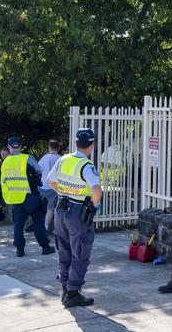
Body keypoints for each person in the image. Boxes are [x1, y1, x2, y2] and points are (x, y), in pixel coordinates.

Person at [46, 128, 102, 308]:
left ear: (76, 143)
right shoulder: (86, 165)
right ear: (91, 145)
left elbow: (50, 180)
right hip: (77, 214)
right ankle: (72, 294)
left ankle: (65, 289)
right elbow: (96, 189)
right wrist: (95, 204)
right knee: (80, 253)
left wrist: (64, 192)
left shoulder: (64, 159)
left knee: (64, 251)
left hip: (60, 210)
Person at [0, 137, 55, 257]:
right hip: (31, 196)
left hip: (15, 197)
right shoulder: (28, 159)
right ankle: (45, 247)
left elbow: (3, 181)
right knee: (38, 222)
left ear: (9, 148)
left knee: (19, 224)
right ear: (20, 147)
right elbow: (39, 171)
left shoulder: (5, 162)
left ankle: (20, 250)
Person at [38, 140, 61, 234]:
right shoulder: (61, 159)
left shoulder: (44, 157)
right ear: (58, 149)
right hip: (54, 188)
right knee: (50, 209)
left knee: (40, 206)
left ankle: (39, 226)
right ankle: (47, 227)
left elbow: (38, 169)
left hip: (43, 188)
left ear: (49, 148)